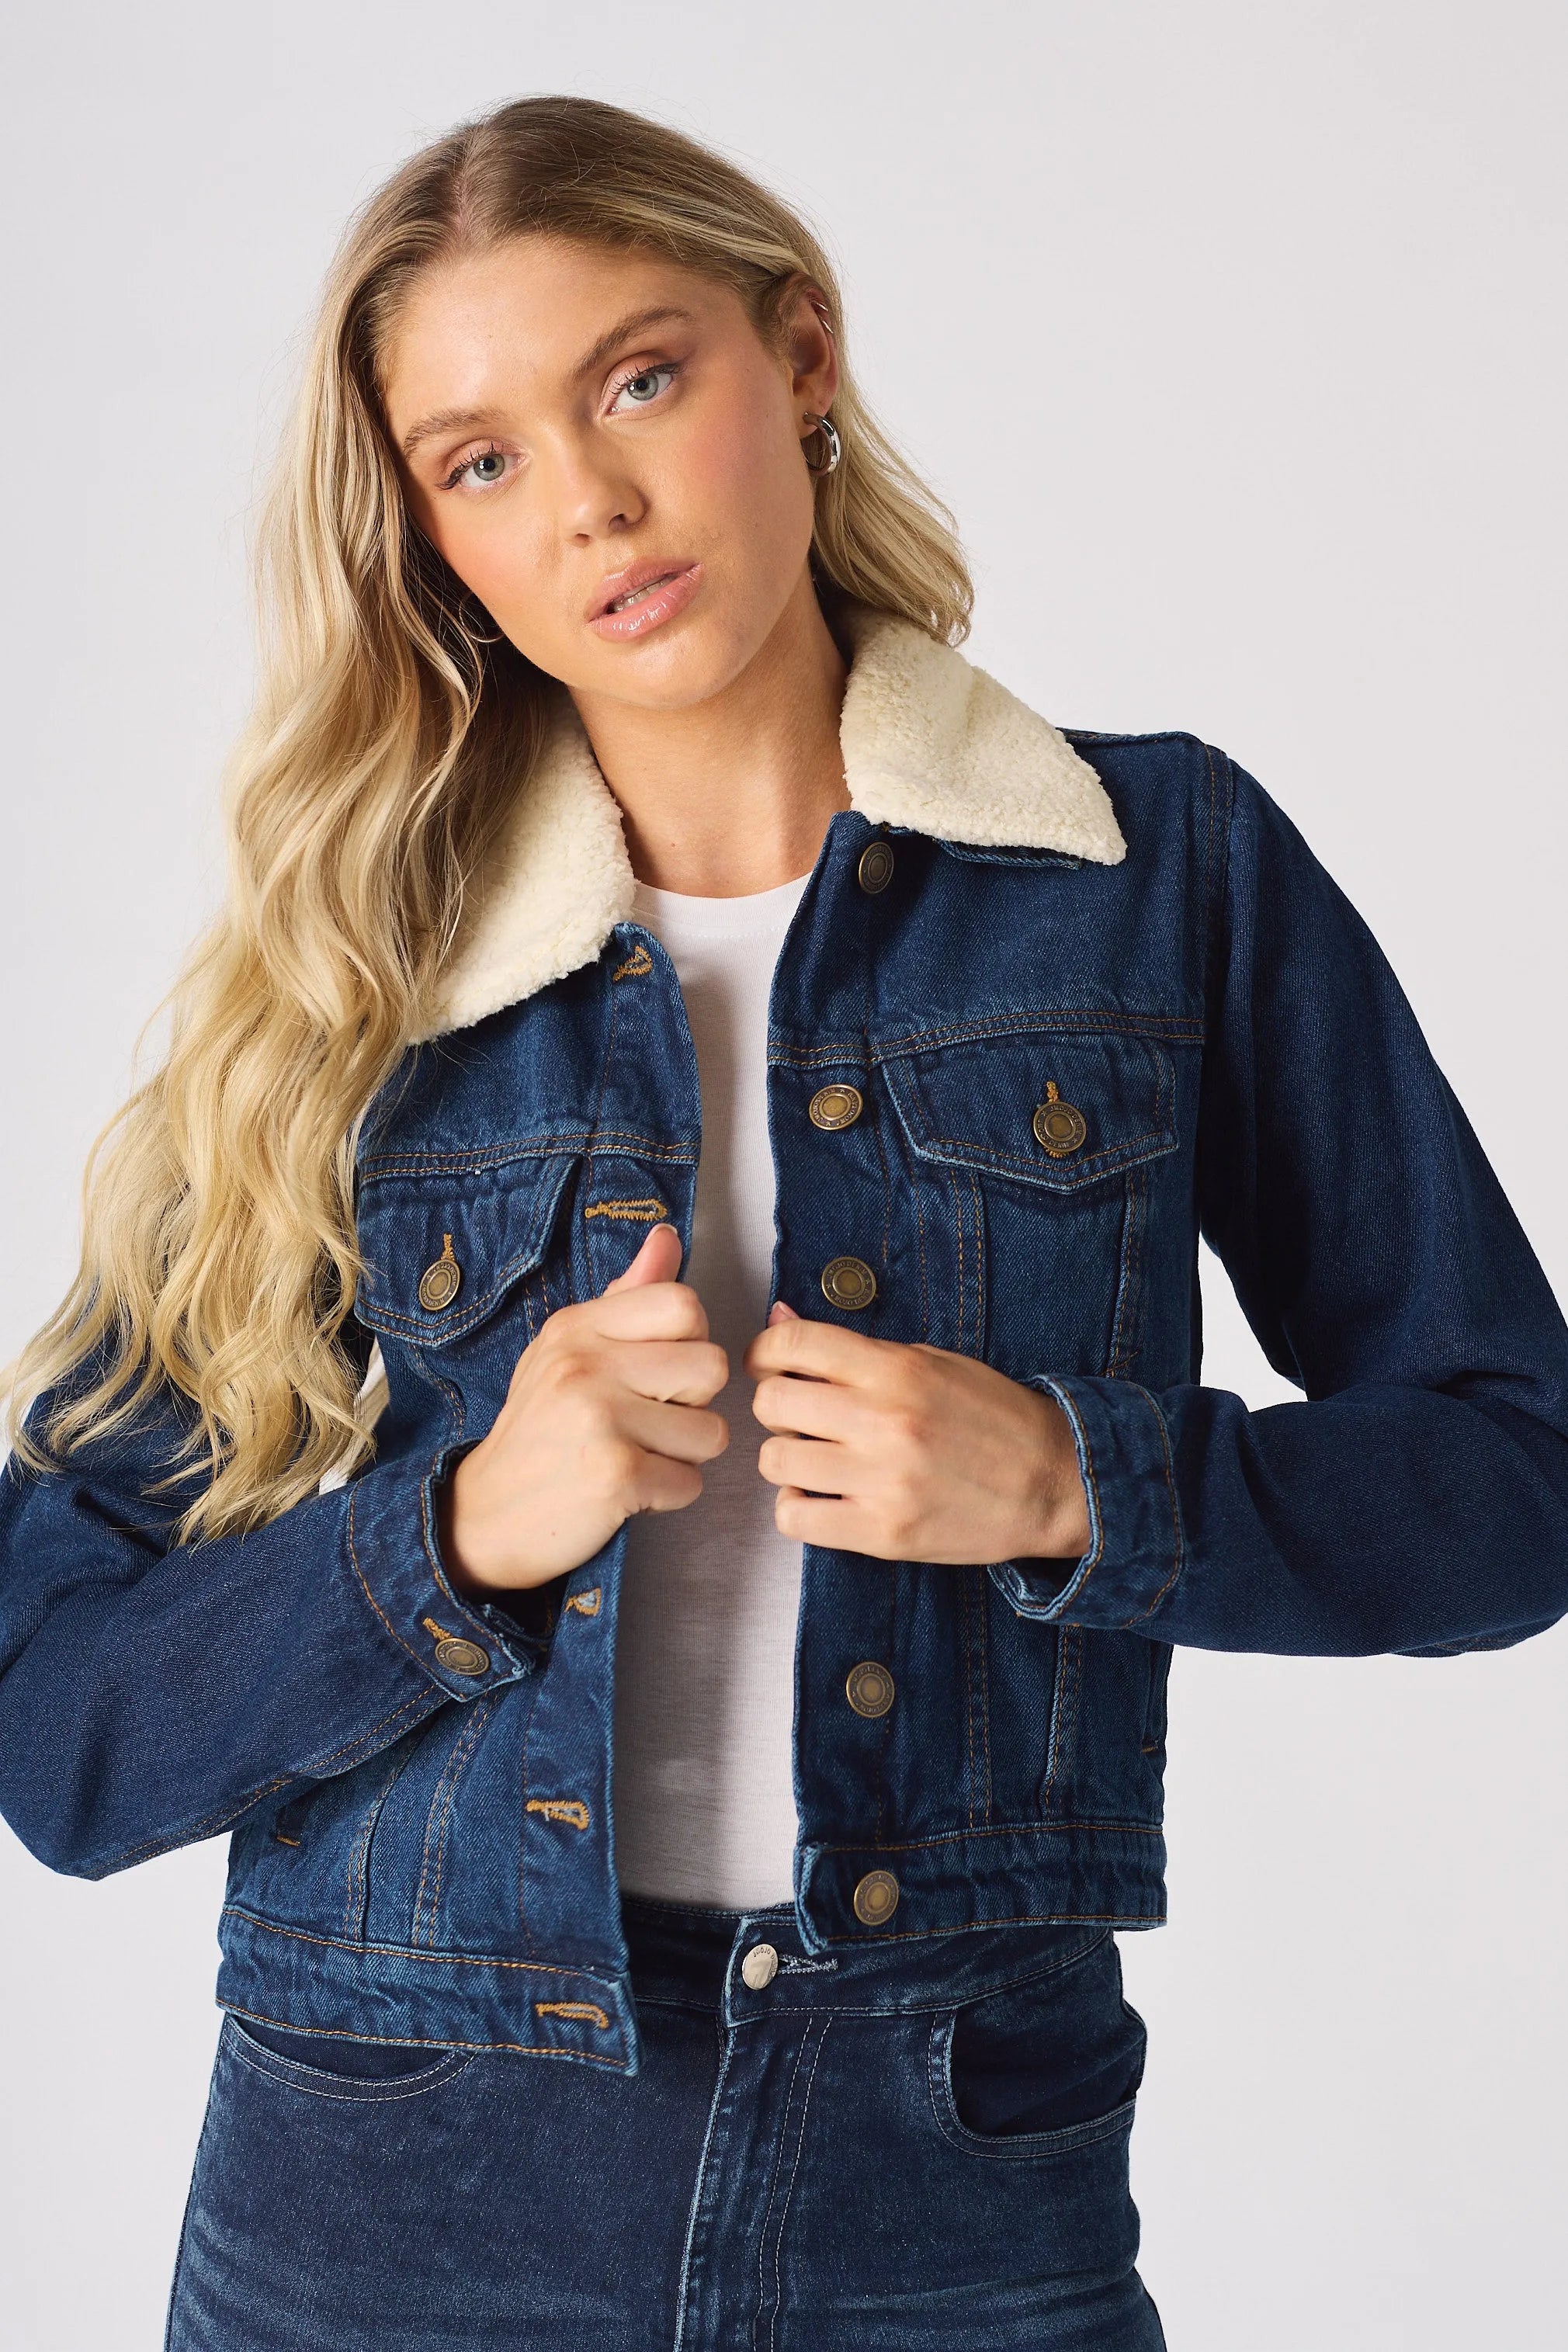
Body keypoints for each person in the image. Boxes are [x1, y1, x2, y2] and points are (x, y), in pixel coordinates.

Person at [3, 89, 1566, 2352]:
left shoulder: (1156, 874)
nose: (592, 502)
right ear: (429, 540)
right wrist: (456, 1533)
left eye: (639, 379)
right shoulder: (353, 983)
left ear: (800, 354)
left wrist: (1077, 1482)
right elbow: (55, 1719)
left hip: (957, 2176)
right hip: (393, 2193)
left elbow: (1515, 1477)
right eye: (481, 460)